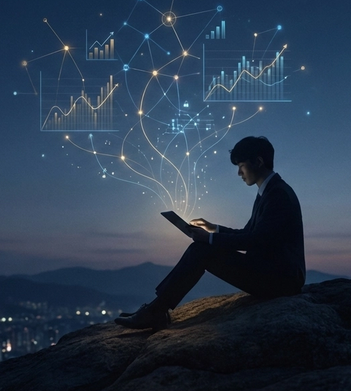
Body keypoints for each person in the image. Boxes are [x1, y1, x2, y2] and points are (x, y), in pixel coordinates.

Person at [115, 136, 305, 331]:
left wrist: (210, 239)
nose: (239, 172)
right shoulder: (269, 192)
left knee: (200, 250)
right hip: (273, 273)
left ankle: (156, 311)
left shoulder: (277, 194)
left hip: (280, 280)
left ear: (258, 162)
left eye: (241, 165)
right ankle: (157, 309)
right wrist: (213, 228)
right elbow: (249, 233)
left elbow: (255, 240)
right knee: (201, 248)